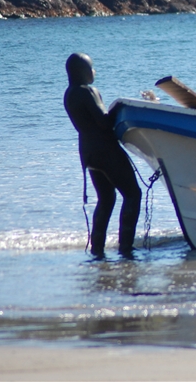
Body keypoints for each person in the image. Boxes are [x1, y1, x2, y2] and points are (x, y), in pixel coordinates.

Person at [63, 53, 141, 258]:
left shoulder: (69, 94)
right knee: (133, 194)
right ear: (84, 72)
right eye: (91, 68)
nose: (94, 72)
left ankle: (97, 250)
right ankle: (126, 249)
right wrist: (120, 106)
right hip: (105, 150)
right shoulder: (88, 91)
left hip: (88, 153)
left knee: (106, 199)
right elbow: (105, 123)